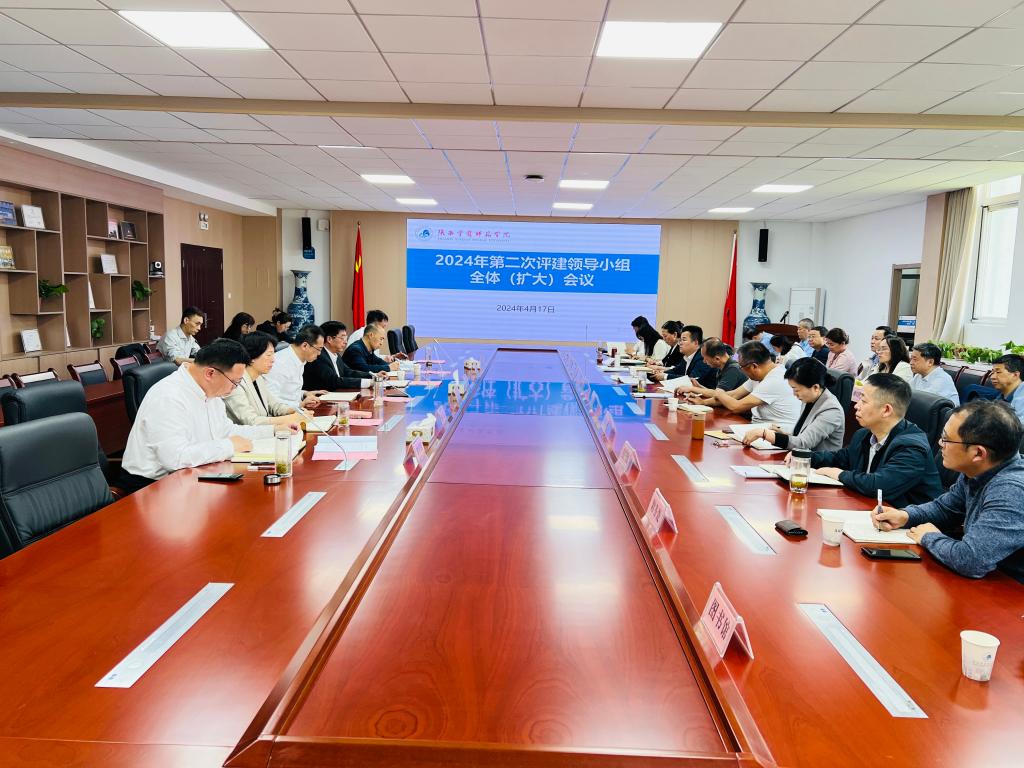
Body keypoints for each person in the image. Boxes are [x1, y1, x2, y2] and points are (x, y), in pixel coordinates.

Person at [873, 400, 1024, 582]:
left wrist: (929, 536)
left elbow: (971, 560)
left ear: (978, 453)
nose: (940, 443)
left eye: (946, 439)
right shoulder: (979, 470)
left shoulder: (1011, 491)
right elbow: (946, 509)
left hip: (1010, 589)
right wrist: (905, 516)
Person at [119, 338, 279, 493]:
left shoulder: (210, 391)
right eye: (235, 382)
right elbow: (175, 458)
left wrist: (273, 430)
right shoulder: (168, 396)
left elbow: (226, 431)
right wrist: (229, 446)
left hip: (192, 476)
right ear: (210, 373)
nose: (234, 388)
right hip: (151, 487)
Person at [811, 373, 943, 507]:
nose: (856, 406)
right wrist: (803, 457)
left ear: (886, 410)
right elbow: (839, 459)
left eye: (863, 401)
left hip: (905, 517)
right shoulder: (863, 435)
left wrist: (838, 474)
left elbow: (879, 487)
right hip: (869, 508)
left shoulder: (912, 447)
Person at [741, 358, 845, 452]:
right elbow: (800, 432)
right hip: (798, 458)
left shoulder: (831, 410)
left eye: (796, 390)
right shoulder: (810, 398)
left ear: (815, 387)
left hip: (818, 464)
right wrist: (782, 433)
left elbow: (803, 443)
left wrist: (764, 434)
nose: (794, 394)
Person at [695, 341, 801, 429]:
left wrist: (718, 392)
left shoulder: (774, 380)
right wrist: (703, 402)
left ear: (754, 366)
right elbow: (734, 395)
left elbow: (736, 406)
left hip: (777, 434)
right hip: (759, 427)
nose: (741, 370)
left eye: (741, 367)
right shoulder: (760, 375)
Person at [224, 332, 308, 428]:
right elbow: (252, 421)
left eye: (273, 354)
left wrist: (296, 411)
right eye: (268, 355)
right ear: (251, 357)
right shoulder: (235, 383)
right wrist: (291, 418)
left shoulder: (258, 378)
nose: (273, 360)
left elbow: (274, 405)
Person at [262, 324, 326, 411]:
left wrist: (304, 394)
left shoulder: (299, 359)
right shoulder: (280, 363)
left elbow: (288, 392)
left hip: (295, 410)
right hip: (282, 414)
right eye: (319, 349)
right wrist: (300, 404)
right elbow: (271, 400)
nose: (319, 353)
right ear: (305, 346)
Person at [303, 320, 377, 392]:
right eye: (342, 338)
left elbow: (347, 371)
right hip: (319, 397)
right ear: (329, 339)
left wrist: (373, 375)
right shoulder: (319, 356)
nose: (345, 342)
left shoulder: (335, 354)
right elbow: (334, 381)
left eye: (346, 338)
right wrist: (368, 382)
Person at [675, 339, 747, 397]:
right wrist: (699, 387)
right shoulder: (723, 365)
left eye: (705, 358)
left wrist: (692, 389)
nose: (704, 361)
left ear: (717, 358)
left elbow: (719, 395)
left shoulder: (733, 369)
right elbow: (716, 393)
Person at [989, 353, 1024, 422]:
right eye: (992, 372)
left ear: (1015, 375)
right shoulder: (1000, 398)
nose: (992, 377)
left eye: (998, 372)